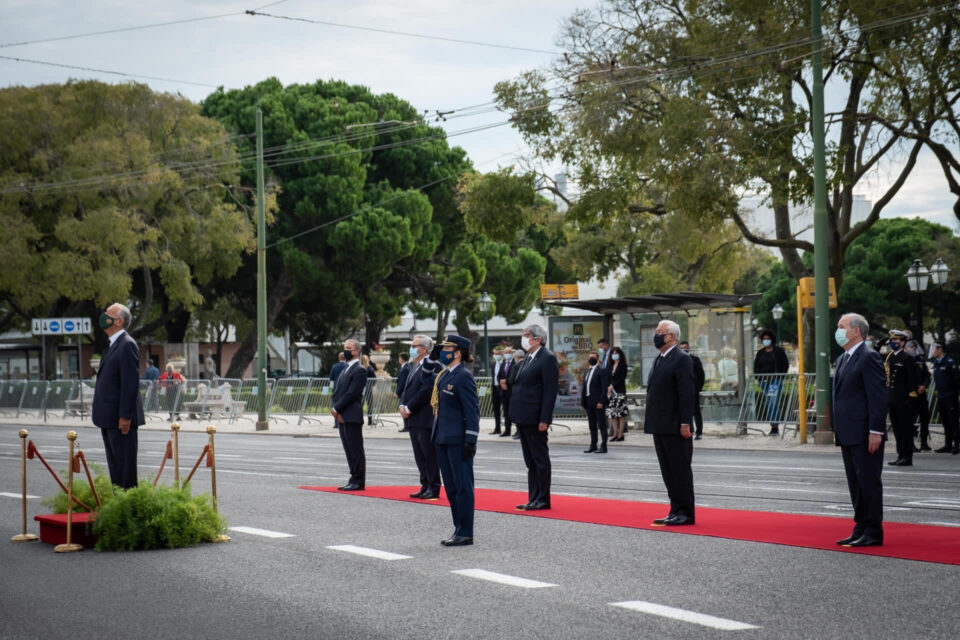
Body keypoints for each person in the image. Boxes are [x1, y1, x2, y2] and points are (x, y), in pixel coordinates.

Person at [833, 313, 887, 547]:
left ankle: (874, 530)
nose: (838, 330)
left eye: (841, 326)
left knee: (868, 481)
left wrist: (876, 430)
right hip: (848, 432)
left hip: (865, 432)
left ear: (856, 331)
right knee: (855, 482)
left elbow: (877, 397)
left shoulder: (868, 357)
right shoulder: (843, 358)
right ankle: (861, 526)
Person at [645, 320, 696, 526]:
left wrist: (685, 422)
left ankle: (685, 512)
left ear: (671, 336)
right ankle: (674, 509)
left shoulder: (682, 358)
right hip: (660, 424)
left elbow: (686, 393)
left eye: (660, 332)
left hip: (675, 425)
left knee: (679, 470)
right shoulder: (660, 358)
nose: (656, 335)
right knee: (667, 470)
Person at [431, 335, 480, 546]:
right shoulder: (444, 375)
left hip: (458, 439)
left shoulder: (463, 376)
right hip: (442, 437)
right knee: (451, 487)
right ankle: (458, 528)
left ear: (458, 352)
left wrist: (471, 439)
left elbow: (472, 411)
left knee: (462, 486)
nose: (443, 351)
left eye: (447, 348)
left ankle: (466, 531)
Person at [92, 303, 145, 489]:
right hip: (108, 417)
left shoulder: (126, 345)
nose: (104, 316)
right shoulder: (112, 344)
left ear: (119, 321)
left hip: (120, 419)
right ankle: (118, 505)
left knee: (125, 470)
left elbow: (130, 383)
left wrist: (125, 416)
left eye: (109, 313)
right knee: (115, 468)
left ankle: (128, 509)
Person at [509, 324, 558, 511]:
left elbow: (549, 392)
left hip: (535, 418)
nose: (524, 339)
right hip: (523, 417)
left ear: (538, 339)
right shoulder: (527, 359)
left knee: (540, 459)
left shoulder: (547, 358)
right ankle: (533, 497)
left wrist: (544, 419)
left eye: (527, 336)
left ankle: (543, 498)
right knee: (530, 461)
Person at [400, 335, 442, 498]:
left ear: (424, 349)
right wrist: (402, 405)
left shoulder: (433, 365)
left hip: (424, 416)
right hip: (413, 418)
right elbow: (406, 389)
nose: (411, 348)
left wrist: (409, 406)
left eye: (414, 345)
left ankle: (433, 486)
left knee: (429, 454)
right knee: (419, 455)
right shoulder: (415, 366)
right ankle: (425, 484)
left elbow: (427, 389)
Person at [331, 339, 368, 491]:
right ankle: (353, 477)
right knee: (348, 448)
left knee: (355, 449)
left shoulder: (359, 369)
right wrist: (336, 409)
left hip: (351, 414)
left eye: (349, 348)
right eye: (345, 348)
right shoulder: (346, 368)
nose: (346, 351)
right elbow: (339, 391)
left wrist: (337, 408)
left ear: (357, 351)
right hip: (343, 414)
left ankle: (358, 480)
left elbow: (352, 393)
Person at [885, 329, 921, 467]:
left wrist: (911, 397)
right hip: (892, 398)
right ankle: (900, 454)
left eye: (896, 341)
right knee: (897, 428)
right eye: (892, 340)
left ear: (903, 342)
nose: (893, 343)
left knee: (905, 428)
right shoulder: (890, 357)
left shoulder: (907, 358)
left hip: (904, 399)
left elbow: (912, 379)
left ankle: (907, 456)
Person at [753, 329, 790, 436]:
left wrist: (780, 377)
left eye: (768, 338)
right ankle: (773, 426)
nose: (766, 340)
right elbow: (756, 366)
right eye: (764, 339)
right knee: (769, 403)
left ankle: (775, 426)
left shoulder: (778, 351)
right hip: (764, 382)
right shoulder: (760, 353)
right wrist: (758, 378)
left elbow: (785, 364)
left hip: (775, 381)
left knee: (773, 403)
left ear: (772, 339)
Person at [932, 342, 960, 454]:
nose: (933, 351)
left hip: (950, 396)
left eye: (934, 348)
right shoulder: (937, 363)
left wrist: (954, 395)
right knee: (945, 421)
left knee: (953, 421)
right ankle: (948, 444)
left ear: (940, 349)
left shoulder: (950, 363)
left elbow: (957, 381)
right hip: (941, 395)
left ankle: (956, 444)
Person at [905, 338, 932, 451]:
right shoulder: (905, 360)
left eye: (915, 347)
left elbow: (927, 375)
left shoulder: (920, 360)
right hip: (910, 395)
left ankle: (924, 442)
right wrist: (916, 387)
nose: (913, 349)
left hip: (921, 394)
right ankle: (910, 443)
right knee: (910, 420)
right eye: (911, 347)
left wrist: (924, 385)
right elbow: (906, 378)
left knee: (924, 418)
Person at [581, 350, 609, 453]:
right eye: (590, 357)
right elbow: (584, 388)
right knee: (592, 425)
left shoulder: (601, 370)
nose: (591, 359)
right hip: (589, 402)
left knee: (602, 425)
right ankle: (593, 445)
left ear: (597, 359)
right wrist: (583, 402)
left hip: (598, 402)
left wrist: (601, 401)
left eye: (593, 357)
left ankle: (604, 446)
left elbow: (604, 388)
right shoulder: (587, 371)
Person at [679, 341, 705, 440]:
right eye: (681, 348)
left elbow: (701, 375)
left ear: (689, 348)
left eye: (685, 348)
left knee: (696, 411)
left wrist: (698, 388)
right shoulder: (678, 360)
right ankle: (689, 430)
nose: (684, 350)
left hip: (693, 390)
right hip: (682, 391)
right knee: (685, 411)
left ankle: (699, 432)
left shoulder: (695, 360)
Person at [605, 346, 629, 442]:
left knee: (621, 414)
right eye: (613, 353)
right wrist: (608, 387)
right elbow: (608, 377)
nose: (614, 355)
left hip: (619, 392)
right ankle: (615, 433)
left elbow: (621, 379)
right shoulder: (610, 365)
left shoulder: (623, 365)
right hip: (611, 393)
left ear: (620, 354)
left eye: (616, 353)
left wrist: (613, 386)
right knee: (613, 414)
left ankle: (620, 434)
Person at [505, 348, 524, 439]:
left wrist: (505, 381)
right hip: (525, 392)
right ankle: (519, 432)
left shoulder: (516, 366)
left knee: (517, 413)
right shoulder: (527, 364)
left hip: (516, 392)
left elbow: (511, 380)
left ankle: (519, 432)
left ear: (516, 357)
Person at [499, 346, 515, 438]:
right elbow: (499, 376)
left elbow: (514, 376)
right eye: (505, 352)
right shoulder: (503, 364)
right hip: (503, 392)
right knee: (506, 412)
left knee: (514, 412)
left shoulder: (514, 364)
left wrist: (506, 382)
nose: (507, 354)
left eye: (508, 352)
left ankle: (518, 431)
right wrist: (502, 383)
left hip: (512, 391)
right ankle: (507, 430)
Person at [490, 346, 506, 435]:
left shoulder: (504, 364)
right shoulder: (493, 364)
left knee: (505, 409)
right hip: (494, 388)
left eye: (498, 354)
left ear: (502, 354)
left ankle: (507, 429)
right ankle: (497, 428)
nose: (496, 355)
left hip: (502, 389)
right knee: (496, 410)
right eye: (495, 354)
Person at [395, 351, 412, 433]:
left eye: (399, 358)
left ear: (401, 358)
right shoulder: (407, 367)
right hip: (406, 391)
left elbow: (402, 382)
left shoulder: (405, 368)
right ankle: (407, 425)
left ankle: (407, 426)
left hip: (404, 392)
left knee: (403, 408)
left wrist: (398, 392)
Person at [362, 354, 377, 426]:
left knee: (360, 405)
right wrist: (371, 385)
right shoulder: (370, 368)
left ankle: (359, 420)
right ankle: (370, 421)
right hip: (368, 388)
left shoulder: (359, 368)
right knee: (369, 405)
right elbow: (374, 379)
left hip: (360, 389)